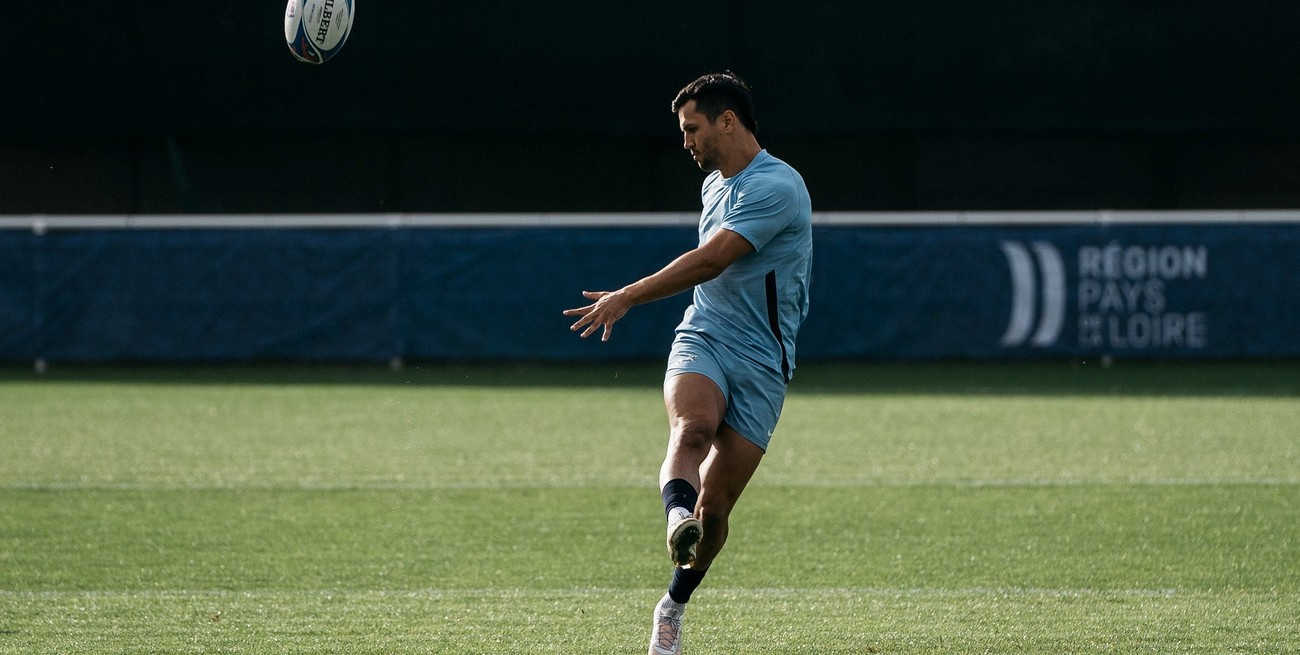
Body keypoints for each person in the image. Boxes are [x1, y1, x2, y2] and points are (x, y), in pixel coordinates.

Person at [563, 71, 812, 655]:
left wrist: (627, 295)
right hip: (705, 334)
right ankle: (676, 515)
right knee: (692, 429)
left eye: (692, 128)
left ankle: (673, 604)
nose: (686, 141)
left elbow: (710, 261)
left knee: (717, 511)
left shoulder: (777, 186)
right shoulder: (713, 186)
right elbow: (707, 277)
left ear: (727, 121)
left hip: (763, 360)